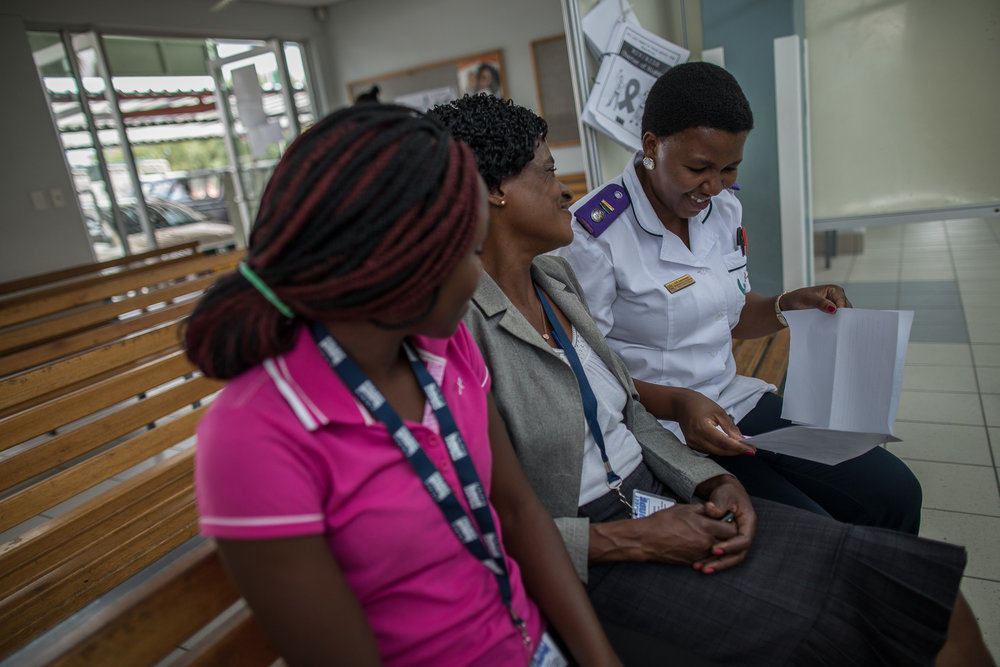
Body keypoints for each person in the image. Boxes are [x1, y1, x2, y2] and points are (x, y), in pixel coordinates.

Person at [428, 93, 995, 666]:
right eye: (549, 171)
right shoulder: (542, 274)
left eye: (729, 169)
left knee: (903, 526)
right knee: (846, 594)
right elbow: (494, 513)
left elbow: (630, 396)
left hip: (691, 439)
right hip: (641, 479)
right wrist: (657, 493)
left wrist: (711, 477)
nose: (716, 184)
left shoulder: (554, 277)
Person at [184, 104, 621, 666]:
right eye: (466, 251)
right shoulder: (255, 434)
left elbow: (515, 510)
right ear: (392, 263)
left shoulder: (440, 346)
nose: (476, 276)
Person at [552, 61, 923, 534]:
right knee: (817, 529)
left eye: (729, 169)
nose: (713, 186)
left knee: (895, 493)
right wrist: (680, 404)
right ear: (651, 147)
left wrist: (786, 306)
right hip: (661, 427)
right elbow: (586, 368)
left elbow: (725, 314)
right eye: (698, 168)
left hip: (731, 401)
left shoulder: (722, 208)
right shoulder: (593, 235)